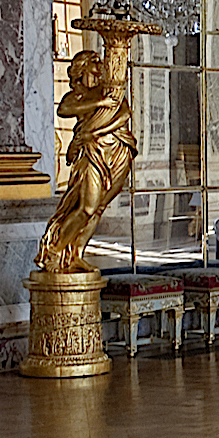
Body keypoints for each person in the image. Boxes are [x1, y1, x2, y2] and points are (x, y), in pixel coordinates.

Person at [37, 50, 138, 273]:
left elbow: (124, 114)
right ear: (82, 68)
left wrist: (97, 131)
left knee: (98, 209)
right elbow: (64, 109)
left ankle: (76, 255)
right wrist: (100, 103)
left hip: (117, 151)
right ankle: (55, 251)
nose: (99, 65)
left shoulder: (108, 90)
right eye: (94, 62)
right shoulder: (78, 96)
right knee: (87, 207)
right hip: (92, 154)